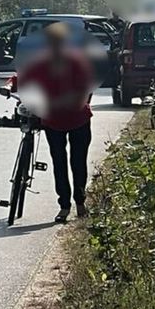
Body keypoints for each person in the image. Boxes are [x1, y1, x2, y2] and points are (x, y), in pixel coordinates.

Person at [16, 22, 93, 223]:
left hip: (78, 119)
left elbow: (85, 88)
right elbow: (21, 77)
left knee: (78, 163)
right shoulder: (40, 63)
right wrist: (8, 86)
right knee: (59, 163)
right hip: (53, 121)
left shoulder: (76, 62)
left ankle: (80, 202)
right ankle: (64, 205)